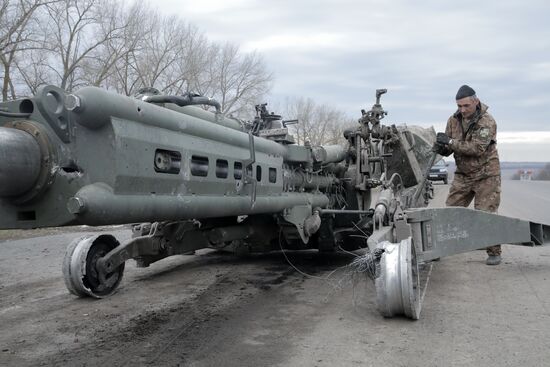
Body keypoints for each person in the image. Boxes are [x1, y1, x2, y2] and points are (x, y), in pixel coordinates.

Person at [433, 85, 502, 265]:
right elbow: (450, 147)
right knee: (450, 213)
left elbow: (477, 149)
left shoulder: (487, 122)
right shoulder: (453, 120)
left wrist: (450, 142)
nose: (462, 110)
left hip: (486, 175)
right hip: (463, 174)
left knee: (486, 215)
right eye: (459, 106)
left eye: (466, 106)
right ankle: (438, 248)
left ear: (475, 102)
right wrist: (442, 147)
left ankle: (494, 251)